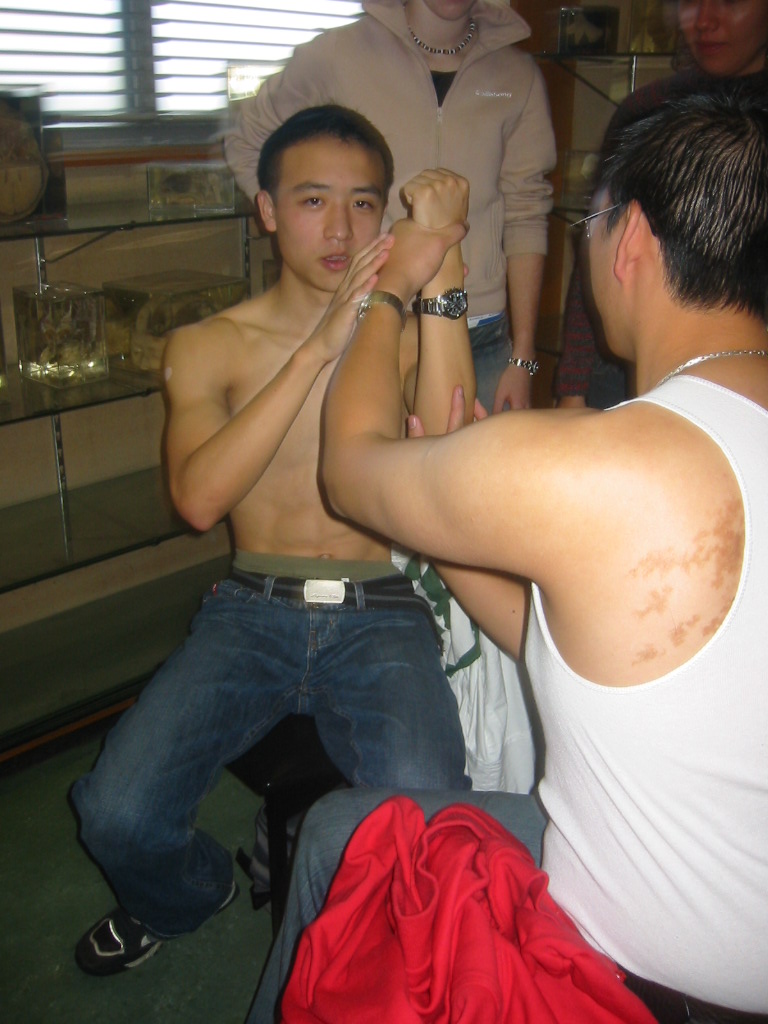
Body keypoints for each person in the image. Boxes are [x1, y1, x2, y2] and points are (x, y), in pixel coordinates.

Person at [249, 82, 768, 1022]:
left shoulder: (605, 459)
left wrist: (393, 285)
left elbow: (351, 470)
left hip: (645, 984)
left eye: (588, 223)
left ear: (631, 238)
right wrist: (449, 542)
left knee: (341, 832)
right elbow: (589, 651)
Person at [70, 105, 475, 977]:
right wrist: (315, 350)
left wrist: (442, 264)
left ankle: (361, 944)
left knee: (431, 816)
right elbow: (198, 500)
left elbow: (450, 450)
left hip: (380, 608)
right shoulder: (207, 345)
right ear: (266, 209)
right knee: (116, 813)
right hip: (249, 609)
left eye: (364, 204)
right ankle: (188, 893)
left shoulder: (398, 332)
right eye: (312, 200)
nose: (341, 230)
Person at [224, 0, 556, 414]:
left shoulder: (516, 77)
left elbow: (527, 209)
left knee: (467, 455)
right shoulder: (338, 54)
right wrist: (321, 235)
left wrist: (522, 356)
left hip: (480, 333)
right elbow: (249, 142)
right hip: (368, 321)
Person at [554, 0, 768, 409]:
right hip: (621, 367)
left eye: (730, 1)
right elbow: (600, 242)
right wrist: (572, 388)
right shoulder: (646, 110)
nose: (704, 20)